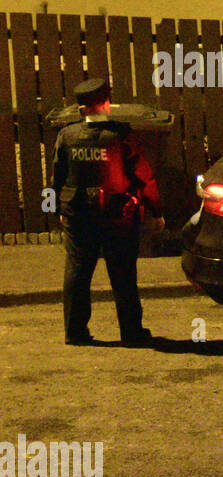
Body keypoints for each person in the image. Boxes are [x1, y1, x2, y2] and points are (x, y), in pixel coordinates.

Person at [51, 78, 164, 345]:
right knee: (123, 273)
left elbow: (58, 175)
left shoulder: (66, 136)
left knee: (78, 272)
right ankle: (131, 332)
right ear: (105, 103)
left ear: (81, 107)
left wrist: (58, 208)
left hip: (78, 213)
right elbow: (144, 175)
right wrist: (156, 211)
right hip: (118, 215)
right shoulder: (121, 135)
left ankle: (75, 332)